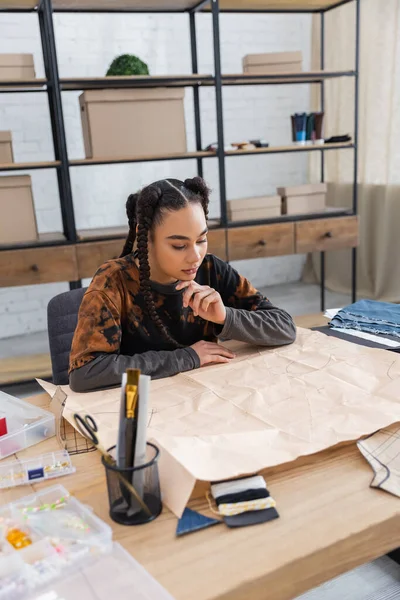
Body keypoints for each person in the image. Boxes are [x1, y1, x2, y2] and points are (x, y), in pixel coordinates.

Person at [69, 177, 296, 392]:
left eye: (201, 240)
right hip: (141, 408)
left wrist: (225, 317)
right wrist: (187, 358)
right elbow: (85, 372)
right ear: (145, 237)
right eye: (179, 245)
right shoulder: (112, 282)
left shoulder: (210, 269)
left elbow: (284, 328)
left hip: (202, 398)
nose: (195, 256)